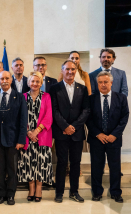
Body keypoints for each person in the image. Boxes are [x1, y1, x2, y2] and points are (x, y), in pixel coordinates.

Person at [49, 60, 90, 203]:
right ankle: (59, 193)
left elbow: (86, 110)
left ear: (76, 71)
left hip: (77, 133)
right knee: (61, 163)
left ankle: (74, 192)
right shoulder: (54, 88)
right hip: (61, 132)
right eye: (67, 69)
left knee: (76, 163)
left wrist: (75, 126)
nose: (70, 72)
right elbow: (54, 110)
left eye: (73, 69)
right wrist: (65, 126)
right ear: (62, 70)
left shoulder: (82, 88)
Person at [86, 71, 129, 203]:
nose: (103, 85)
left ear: (111, 83)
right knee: (96, 166)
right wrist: (98, 134)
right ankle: (97, 192)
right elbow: (88, 119)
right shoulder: (91, 99)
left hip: (113, 139)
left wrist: (114, 135)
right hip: (96, 139)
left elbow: (124, 117)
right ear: (97, 84)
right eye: (100, 82)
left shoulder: (121, 98)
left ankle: (116, 192)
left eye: (105, 82)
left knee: (115, 167)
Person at [18, 71, 54, 202]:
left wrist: (36, 132)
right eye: (32, 81)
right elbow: (20, 117)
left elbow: (49, 116)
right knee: (28, 163)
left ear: (41, 83)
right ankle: (31, 188)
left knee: (41, 163)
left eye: (37, 81)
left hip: (42, 136)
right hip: (27, 136)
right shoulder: (22, 96)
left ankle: (39, 188)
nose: (35, 83)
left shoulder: (47, 97)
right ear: (28, 83)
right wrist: (28, 132)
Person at [0, 71, 27, 205]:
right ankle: (1, 194)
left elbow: (23, 120)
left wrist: (21, 140)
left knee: (12, 169)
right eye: (2, 78)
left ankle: (11, 194)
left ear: (11, 80)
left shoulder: (19, 97)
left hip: (13, 140)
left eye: (7, 78)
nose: (5, 80)